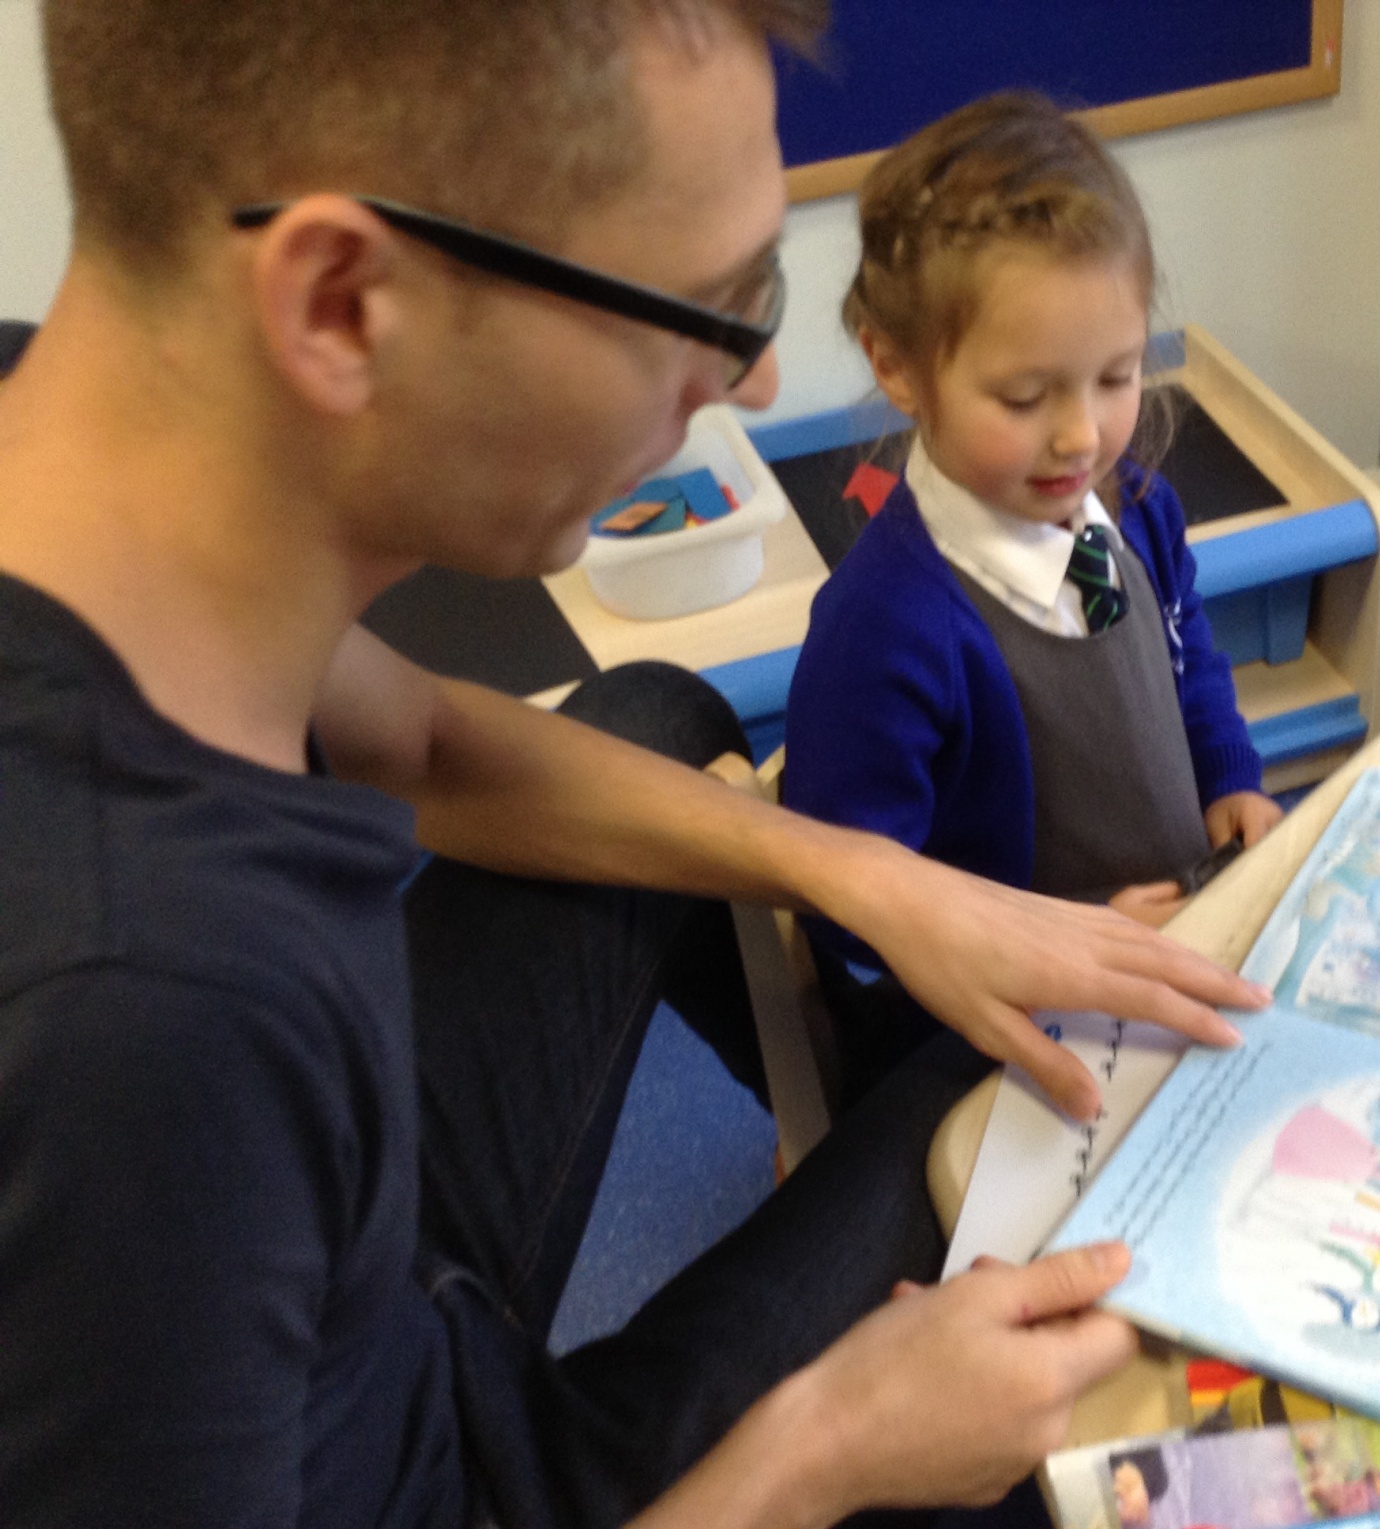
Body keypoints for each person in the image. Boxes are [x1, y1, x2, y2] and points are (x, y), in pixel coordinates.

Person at [0, 4, 1270, 1526]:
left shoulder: (71, 451)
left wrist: (871, 875)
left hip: (353, 1282)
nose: (750, 382)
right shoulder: (146, 1011)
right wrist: (821, 1456)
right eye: (704, 308)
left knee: (658, 713)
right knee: (1012, 1113)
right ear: (340, 302)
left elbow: (419, 738)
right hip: (437, 1479)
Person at [782, 95, 1282, 1091]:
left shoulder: (1137, 509)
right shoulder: (884, 630)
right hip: (1009, 1036)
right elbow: (851, 910)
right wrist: (1043, 956)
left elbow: (1187, 656)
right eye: (1024, 397)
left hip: (1173, 943)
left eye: (1116, 374)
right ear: (897, 366)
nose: (1080, 437)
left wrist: (1229, 773)